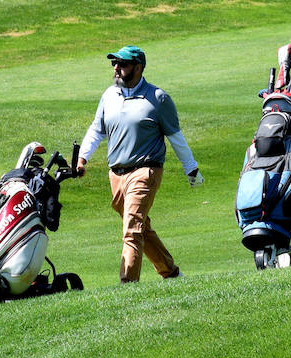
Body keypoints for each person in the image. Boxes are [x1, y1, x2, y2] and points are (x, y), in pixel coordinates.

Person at [75, 45, 204, 282]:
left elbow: (176, 137)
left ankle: (128, 287)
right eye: (114, 64)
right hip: (116, 175)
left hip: (145, 172)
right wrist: (82, 159)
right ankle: (171, 273)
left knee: (131, 230)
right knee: (141, 227)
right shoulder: (109, 96)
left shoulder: (158, 98)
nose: (116, 68)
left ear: (138, 67)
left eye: (122, 64)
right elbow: (97, 130)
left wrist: (191, 169)